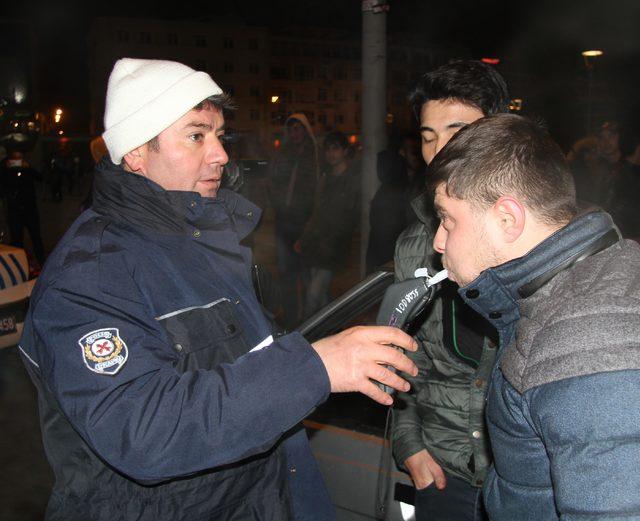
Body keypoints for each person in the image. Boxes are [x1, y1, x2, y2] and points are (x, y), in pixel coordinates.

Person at [17, 58, 419, 521]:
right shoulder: (91, 272)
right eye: (196, 135)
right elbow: (144, 432)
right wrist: (312, 368)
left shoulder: (205, 240)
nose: (221, 154)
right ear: (135, 152)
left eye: (219, 135)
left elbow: (245, 376)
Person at [430, 113, 640, 519]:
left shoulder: (586, 343)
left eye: (447, 220)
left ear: (507, 220)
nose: (438, 240)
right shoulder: (569, 292)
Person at [392, 60, 508, 521]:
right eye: (427, 135)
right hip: (444, 471)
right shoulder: (417, 245)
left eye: (456, 130)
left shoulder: (539, 234)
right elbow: (405, 356)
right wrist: (411, 446)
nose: (439, 150)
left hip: (524, 474)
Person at [297, 131, 360, 317]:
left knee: (313, 295)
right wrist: (305, 236)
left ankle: (307, 336)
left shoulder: (351, 180)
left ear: (345, 151)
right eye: (328, 149)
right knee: (321, 295)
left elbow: (350, 217)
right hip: (317, 242)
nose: (331, 153)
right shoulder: (325, 177)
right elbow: (316, 211)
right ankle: (328, 332)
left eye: (336, 149)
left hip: (334, 246)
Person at [269, 113, 319, 328]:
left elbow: (319, 190)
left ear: (305, 131)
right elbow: (274, 182)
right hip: (284, 220)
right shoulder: (283, 154)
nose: (295, 133)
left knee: (307, 274)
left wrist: (313, 221)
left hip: (306, 222)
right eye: (292, 129)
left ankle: (312, 320)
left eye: (299, 128)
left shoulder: (315, 154)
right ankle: (291, 319)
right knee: (286, 273)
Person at [0, 149, 46, 265]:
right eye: (15, 158)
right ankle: (19, 264)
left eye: (19, 158)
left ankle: (42, 262)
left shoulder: (27, 167)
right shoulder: (6, 168)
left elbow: (40, 177)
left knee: (36, 237)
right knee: (16, 240)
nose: (17, 160)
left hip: (29, 208)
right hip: (14, 210)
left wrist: (28, 167)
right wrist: (5, 167)